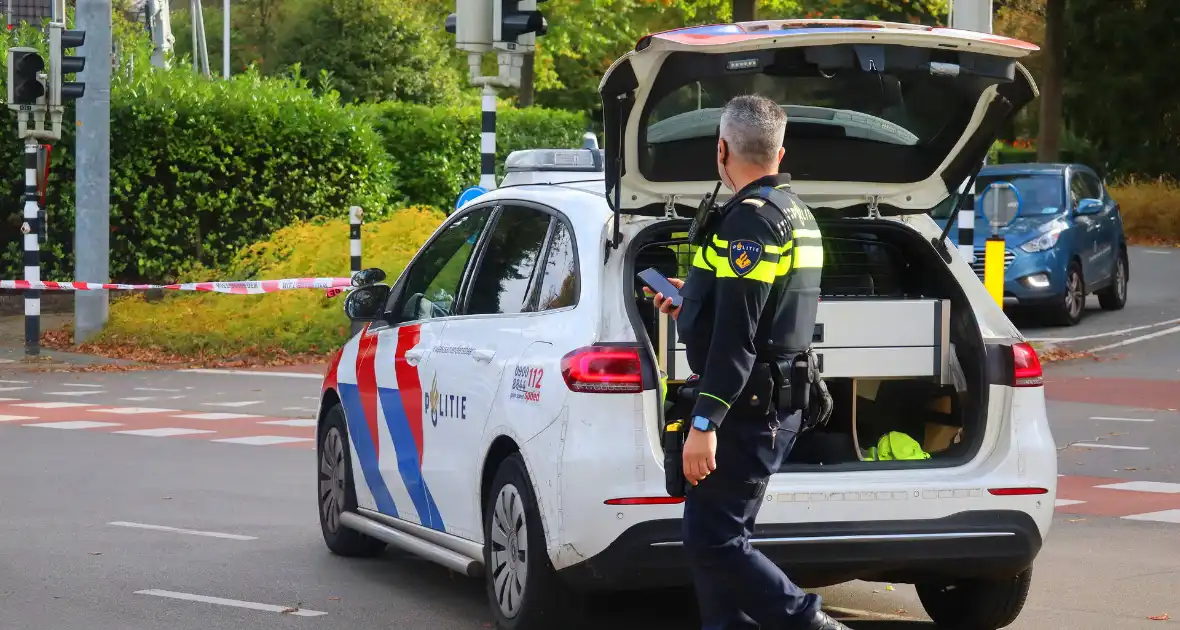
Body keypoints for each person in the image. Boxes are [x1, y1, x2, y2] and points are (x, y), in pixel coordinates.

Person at [651, 94, 847, 630]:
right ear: (780, 152)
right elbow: (764, 308)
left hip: (745, 407)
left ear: (721, 149)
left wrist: (703, 423)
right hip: (771, 398)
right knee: (720, 540)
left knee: (711, 539)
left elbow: (738, 335)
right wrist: (689, 299)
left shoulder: (749, 224)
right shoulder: (798, 215)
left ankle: (810, 622)